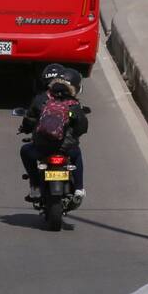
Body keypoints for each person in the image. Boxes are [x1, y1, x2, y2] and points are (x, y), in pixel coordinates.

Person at [19, 66, 89, 206]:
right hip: (66, 149)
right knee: (77, 155)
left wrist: (25, 128)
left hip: (42, 148)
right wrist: (73, 135)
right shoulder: (74, 104)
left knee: (25, 151)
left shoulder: (41, 100)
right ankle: (79, 189)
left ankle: (35, 187)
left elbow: (29, 120)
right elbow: (82, 128)